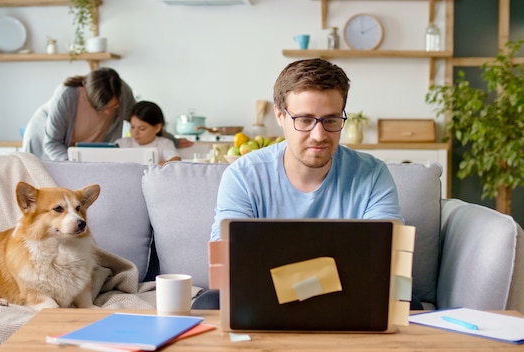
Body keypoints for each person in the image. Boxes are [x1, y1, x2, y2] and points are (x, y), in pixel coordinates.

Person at [194, 58, 414, 309]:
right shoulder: (243, 176)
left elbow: (389, 263)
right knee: (210, 302)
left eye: (331, 120)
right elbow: (227, 266)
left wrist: (291, 280)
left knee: (408, 301)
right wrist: (325, 276)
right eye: (305, 120)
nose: (319, 136)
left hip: (348, 300)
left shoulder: (373, 174)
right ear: (280, 115)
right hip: (265, 299)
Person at [22, 67, 192, 160]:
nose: (109, 112)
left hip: (84, 152)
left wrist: (173, 139)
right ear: (91, 99)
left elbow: (143, 120)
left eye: (114, 106)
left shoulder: (122, 91)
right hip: (46, 141)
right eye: (104, 108)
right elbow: (52, 143)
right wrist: (73, 163)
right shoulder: (68, 95)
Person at [115, 101, 181, 166]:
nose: (135, 132)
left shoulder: (164, 144)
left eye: (142, 128)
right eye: (132, 127)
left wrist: (152, 166)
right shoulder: (122, 144)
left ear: (157, 128)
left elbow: (175, 161)